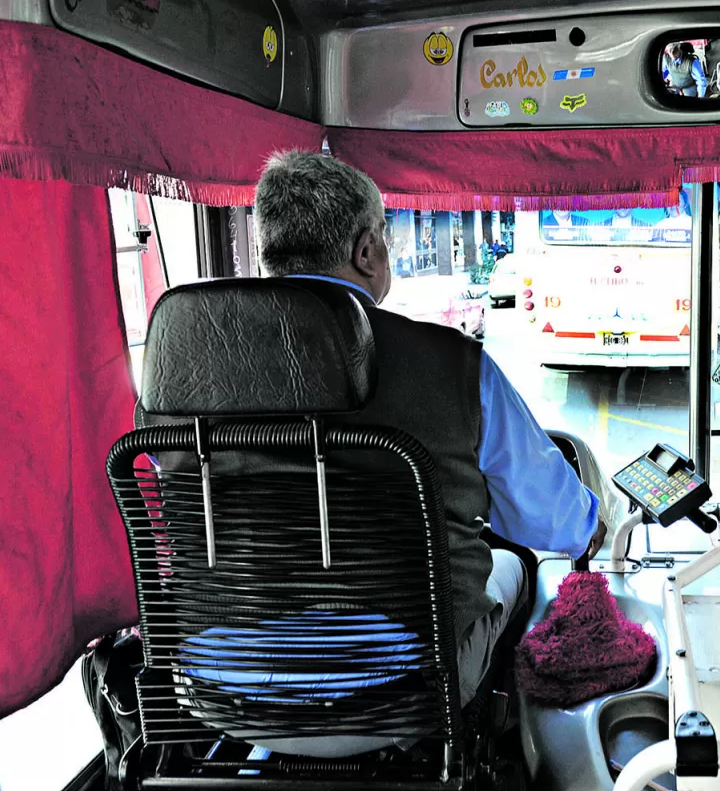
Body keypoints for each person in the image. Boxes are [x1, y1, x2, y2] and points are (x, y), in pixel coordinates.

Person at [173, 150, 607, 709]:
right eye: (385, 235)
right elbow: (553, 520)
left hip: (220, 685)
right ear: (365, 250)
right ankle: (484, 743)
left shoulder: (179, 375)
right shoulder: (454, 365)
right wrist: (590, 528)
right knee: (516, 566)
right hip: (402, 693)